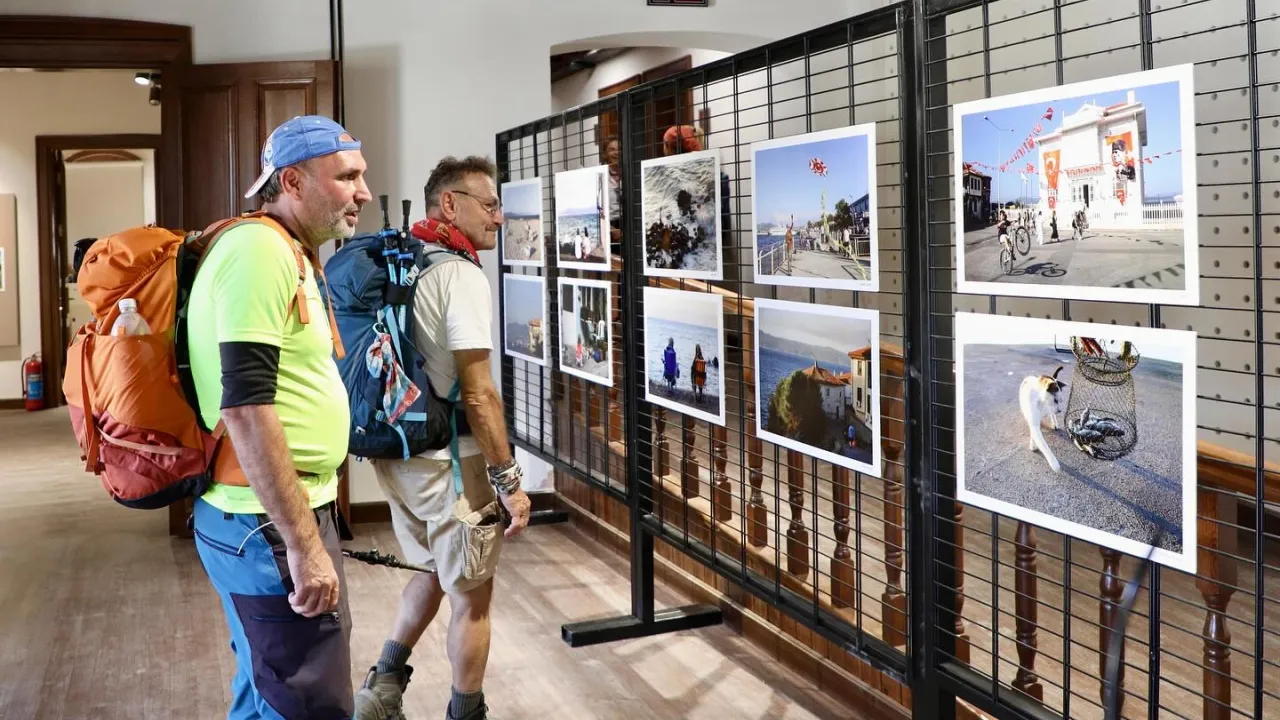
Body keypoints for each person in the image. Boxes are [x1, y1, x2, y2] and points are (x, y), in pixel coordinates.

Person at [186, 115, 371, 719]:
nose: (364, 193)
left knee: (268, 690)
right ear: (292, 181)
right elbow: (244, 406)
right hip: (264, 522)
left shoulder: (284, 250)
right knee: (307, 703)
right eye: (347, 177)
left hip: (269, 515)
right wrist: (302, 543)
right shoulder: (259, 251)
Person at [354, 155, 532, 720]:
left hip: (399, 454)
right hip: (452, 464)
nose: (499, 217)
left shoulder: (406, 259)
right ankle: (466, 711)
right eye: (490, 204)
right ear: (450, 204)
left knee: (432, 568)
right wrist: (510, 483)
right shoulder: (460, 274)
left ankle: (382, 688)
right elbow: (479, 395)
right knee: (473, 598)